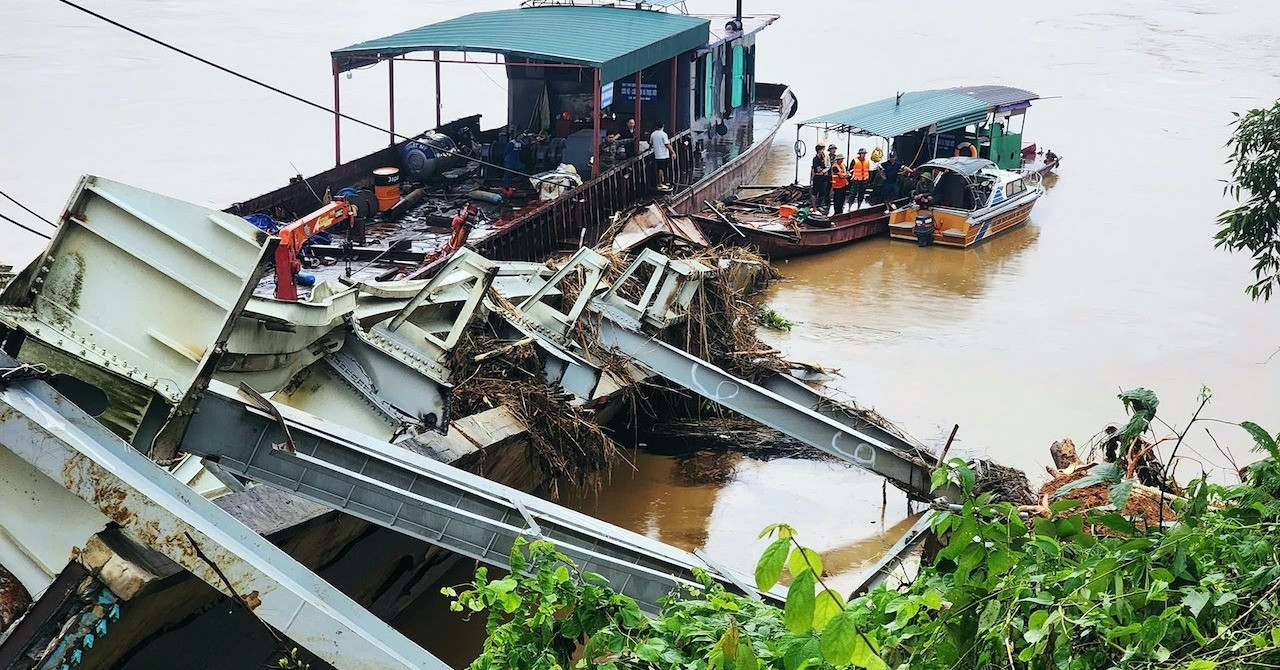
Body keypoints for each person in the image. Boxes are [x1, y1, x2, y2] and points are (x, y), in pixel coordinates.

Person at [650, 122, 673, 191]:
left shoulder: (653, 134)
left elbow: (651, 143)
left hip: (657, 154)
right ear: (663, 126)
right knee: (661, 169)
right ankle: (660, 183)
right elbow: (667, 144)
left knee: (660, 168)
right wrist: (672, 152)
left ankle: (662, 182)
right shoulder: (664, 134)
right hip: (663, 155)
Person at [809, 141, 829, 210]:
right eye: (822, 150)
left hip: (822, 177)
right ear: (819, 150)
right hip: (817, 177)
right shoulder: (815, 159)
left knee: (822, 191)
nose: (823, 151)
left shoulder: (822, 159)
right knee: (814, 192)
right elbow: (818, 170)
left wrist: (823, 170)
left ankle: (819, 205)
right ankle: (814, 207)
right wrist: (823, 170)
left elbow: (824, 167)